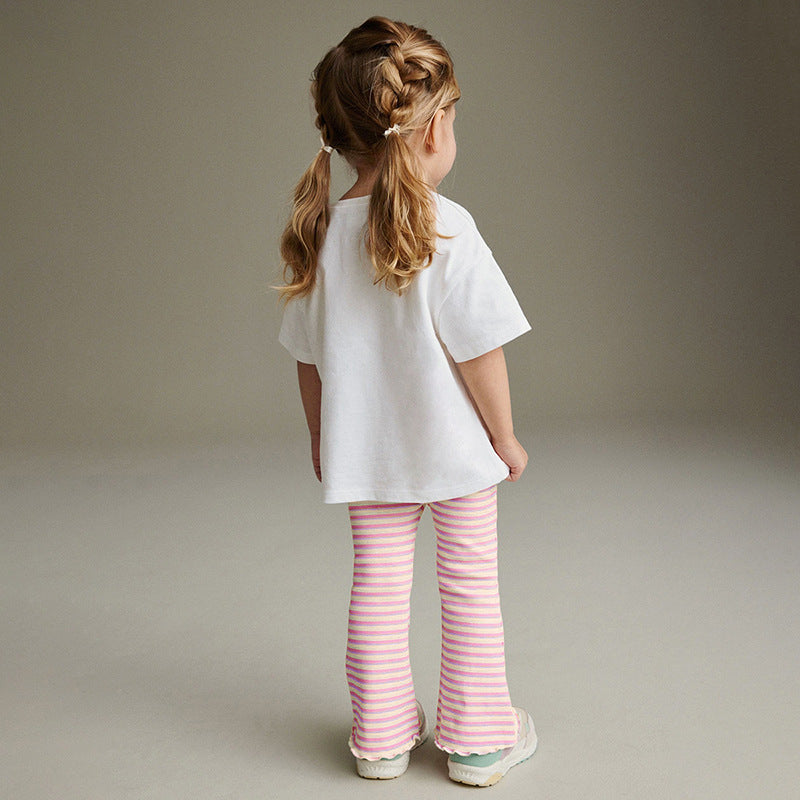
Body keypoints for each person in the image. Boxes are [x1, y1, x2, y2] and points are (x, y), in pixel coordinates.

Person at [277, 16, 537, 787]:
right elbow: (479, 349)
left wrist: (323, 439)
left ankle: (381, 739)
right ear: (432, 130)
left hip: (368, 456)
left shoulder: (324, 232)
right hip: (458, 454)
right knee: (470, 588)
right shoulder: (447, 226)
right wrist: (505, 437)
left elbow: (308, 359)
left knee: (378, 589)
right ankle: (479, 742)